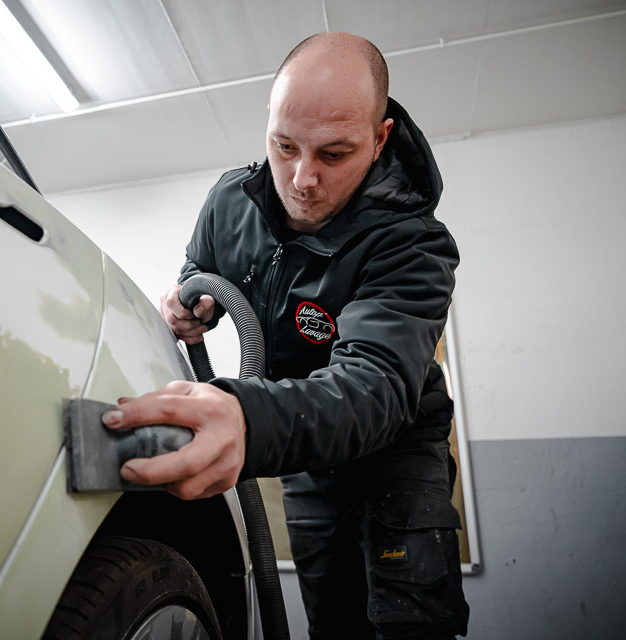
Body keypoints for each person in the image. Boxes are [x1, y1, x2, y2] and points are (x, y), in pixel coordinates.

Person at [102, 32, 470, 639]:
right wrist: (189, 299)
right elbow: (200, 270)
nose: (301, 179)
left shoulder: (413, 244)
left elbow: (376, 386)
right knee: (333, 624)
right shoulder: (230, 200)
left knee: (410, 626)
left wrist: (247, 418)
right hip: (306, 465)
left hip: (396, 462)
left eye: (333, 154)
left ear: (379, 141)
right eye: (284, 146)